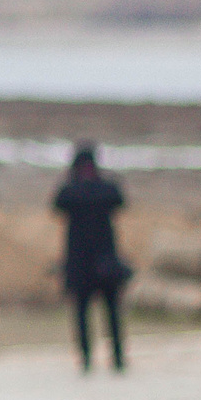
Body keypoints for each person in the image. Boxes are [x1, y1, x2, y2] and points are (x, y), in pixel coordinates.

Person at [54, 142, 129, 372]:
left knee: (112, 314)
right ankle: (87, 358)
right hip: (81, 262)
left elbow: (118, 199)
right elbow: (59, 203)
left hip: (104, 260)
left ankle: (117, 357)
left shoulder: (99, 189)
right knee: (83, 315)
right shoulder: (75, 191)